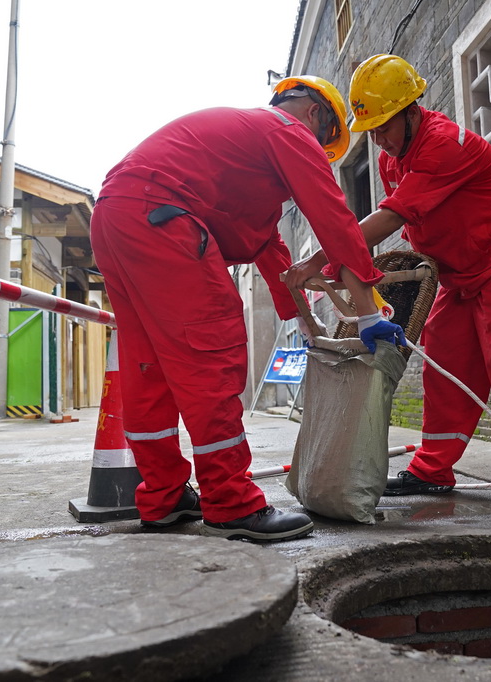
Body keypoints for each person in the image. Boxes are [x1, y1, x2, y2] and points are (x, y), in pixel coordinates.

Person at [91, 75, 404, 542]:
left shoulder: (237, 150)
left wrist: (304, 318)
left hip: (116, 218)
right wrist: (369, 312)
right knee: (211, 353)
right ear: (315, 115)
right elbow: (334, 218)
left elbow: (268, 245)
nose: (320, 151)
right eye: (326, 143)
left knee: (149, 367)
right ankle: (230, 502)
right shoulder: (287, 131)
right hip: (163, 218)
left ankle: (163, 497)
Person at [285, 55, 491, 520]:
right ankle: (434, 468)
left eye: (383, 126)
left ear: (411, 110)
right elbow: (406, 221)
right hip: (456, 274)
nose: (377, 138)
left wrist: (325, 256)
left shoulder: (445, 145)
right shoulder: (389, 159)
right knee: (443, 359)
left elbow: (394, 216)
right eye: (371, 129)